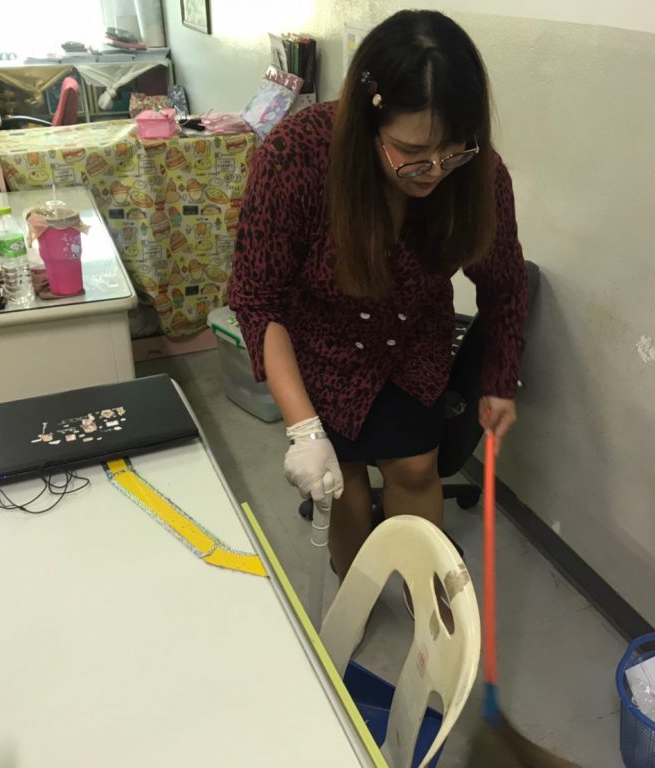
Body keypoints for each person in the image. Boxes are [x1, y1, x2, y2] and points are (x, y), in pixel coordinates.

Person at [228, 9, 528, 581]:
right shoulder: (297, 156)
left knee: (415, 469)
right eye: (410, 150)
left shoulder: (478, 174)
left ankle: (427, 603)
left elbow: (505, 281)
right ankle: (356, 594)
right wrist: (304, 429)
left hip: (412, 345)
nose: (433, 170)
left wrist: (500, 379)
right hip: (321, 346)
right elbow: (257, 298)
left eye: (452, 149)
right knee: (342, 485)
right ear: (368, 120)